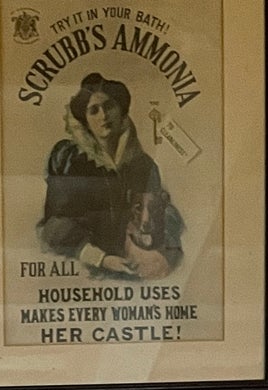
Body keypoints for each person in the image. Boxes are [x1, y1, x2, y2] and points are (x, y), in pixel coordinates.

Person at [37, 73, 182, 278]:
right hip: (84, 270)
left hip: (137, 268)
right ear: (85, 120)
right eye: (93, 110)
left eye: (109, 106)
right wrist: (100, 258)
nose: (103, 116)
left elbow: (163, 211)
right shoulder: (70, 160)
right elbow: (54, 227)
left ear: (121, 110)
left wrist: (160, 252)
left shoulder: (143, 164)